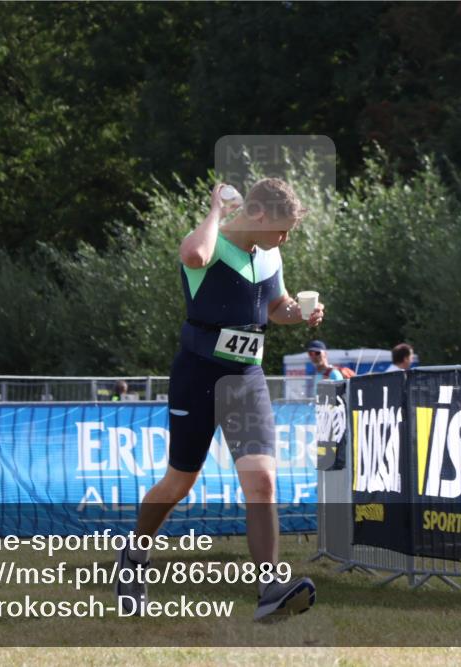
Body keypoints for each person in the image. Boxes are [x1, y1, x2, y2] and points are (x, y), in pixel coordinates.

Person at [117, 178, 323, 622]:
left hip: (246, 377)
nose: (285, 238)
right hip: (198, 375)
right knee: (179, 482)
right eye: (281, 228)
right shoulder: (211, 241)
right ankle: (134, 556)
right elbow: (194, 255)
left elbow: (276, 306)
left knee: (263, 482)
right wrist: (215, 210)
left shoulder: (270, 254)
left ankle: (270, 588)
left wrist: (301, 313)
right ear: (257, 215)